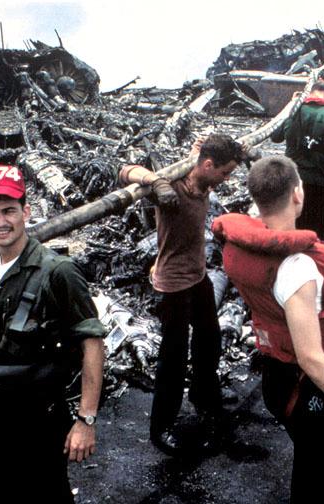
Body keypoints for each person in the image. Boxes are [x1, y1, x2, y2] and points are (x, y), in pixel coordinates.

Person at [212, 155, 324, 504]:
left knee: (310, 467)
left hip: (273, 376)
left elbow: (280, 308)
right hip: (305, 391)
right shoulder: (298, 266)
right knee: (316, 480)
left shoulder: (238, 245)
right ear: (298, 194)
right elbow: (311, 357)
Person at [0, 165, 106, 503]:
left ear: (26, 212)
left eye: (8, 211)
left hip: (38, 423)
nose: (0, 221)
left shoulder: (58, 271)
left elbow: (92, 343)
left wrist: (86, 420)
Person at [119, 135, 246, 455]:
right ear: (207, 166)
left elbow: (202, 155)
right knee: (172, 360)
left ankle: (204, 398)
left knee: (209, 341)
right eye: (225, 172)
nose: (226, 180)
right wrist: (154, 181)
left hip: (199, 277)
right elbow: (124, 172)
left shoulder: (200, 175)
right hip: (173, 284)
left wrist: (200, 146)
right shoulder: (172, 187)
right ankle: (161, 428)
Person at [270, 82, 324, 240]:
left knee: (292, 230)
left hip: (292, 179)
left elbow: (275, 137)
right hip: (321, 183)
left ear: (309, 93)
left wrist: (290, 105)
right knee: (315, 234)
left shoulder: (294, 111)